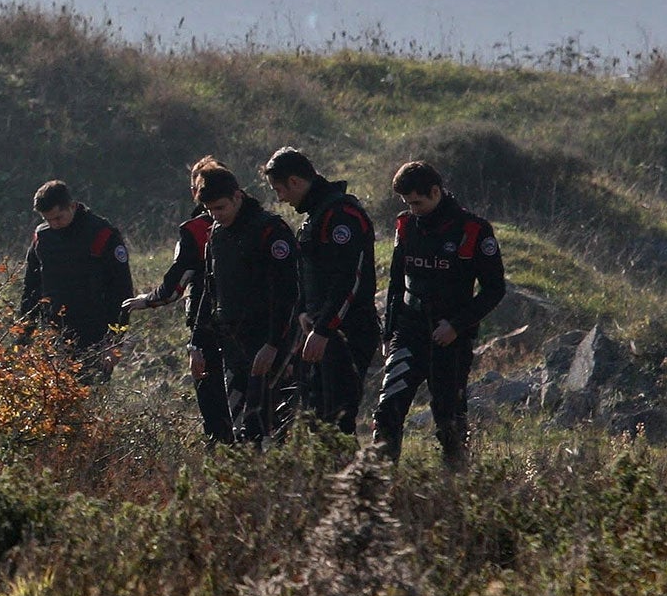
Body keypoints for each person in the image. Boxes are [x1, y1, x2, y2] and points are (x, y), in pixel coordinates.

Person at [373, 160, 506, 468]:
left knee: (449, 418)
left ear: (435, 192)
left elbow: (494, 290)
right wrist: (388, 332)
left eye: (417, 202)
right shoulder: (405, 226)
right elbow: (396, 282)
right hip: (408, 331)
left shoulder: (473, 230)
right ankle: (377, 486)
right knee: (388, 409)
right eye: (407, 203)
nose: (413, 209)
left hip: (450, 339)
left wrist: (457, 326)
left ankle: (454, 484)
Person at [262, 147, 380, 438]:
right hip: (321, 330)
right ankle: (329, 481)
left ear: (295, 181)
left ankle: (354, 482)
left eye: (279, 189)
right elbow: (310, 272)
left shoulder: (341, 215)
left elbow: (348, 279)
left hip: (346, 332)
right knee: (316, 419)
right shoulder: (316, 215)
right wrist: (304, 310)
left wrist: (325, 329)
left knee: (336, 419)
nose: (280, 198)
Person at [122, 157, 236, 444]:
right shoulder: (260, 221)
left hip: (208, 328)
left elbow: (175, 285)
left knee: (215, 408)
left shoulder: (197, 230)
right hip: (256, 329)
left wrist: (148, 300)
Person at [192, 162, 300, 444]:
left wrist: (274, 344)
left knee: (265, 428)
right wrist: (197, 343)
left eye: (221, 208)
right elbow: (210, 289)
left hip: (267, 342)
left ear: (238, 196)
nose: (216, 216)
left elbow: (288, 293)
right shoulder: (216, 234)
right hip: (232, 344)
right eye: (210, 211)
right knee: (241, 430)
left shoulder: (270, 231)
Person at [16, 180, 134, 372]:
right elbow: (31, 288)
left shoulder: (102, 233)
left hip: (94, 336)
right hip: (53, 336)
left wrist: (114, 342)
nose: (54, 224)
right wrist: (24, 336)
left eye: (58, 218)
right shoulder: (42, 237)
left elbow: (121, 290)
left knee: (91, 396)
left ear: (71, 206)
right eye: (48, 220)